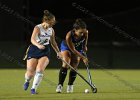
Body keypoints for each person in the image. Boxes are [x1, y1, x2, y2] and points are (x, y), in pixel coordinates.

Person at [23, 10, 61, 94]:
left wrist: (58, 52)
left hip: (45, 51)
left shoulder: (51, 30)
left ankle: (33, 89)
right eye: (52, 22)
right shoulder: (37, 28)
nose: (53, 23)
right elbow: (32, 39)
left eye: (54, 22)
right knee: (30, 73)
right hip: (34, 49)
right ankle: (27, 81)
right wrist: (38, 45)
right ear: (46, 21)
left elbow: (53, 42)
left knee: (40, 70)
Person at [56, 19, 89, 93]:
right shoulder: (69, 36)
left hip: (78, 47)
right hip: (67, 47)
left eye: (83, 32)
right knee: (66, 64)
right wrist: (83, 58)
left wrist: (84, 46)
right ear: (75, 30)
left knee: (74, 67)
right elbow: (73, 50)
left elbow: (85, 40)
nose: (82, 34)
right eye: (80, 32)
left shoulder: (85, 32)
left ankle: (70, 85)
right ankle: (60, 85)